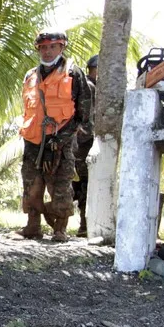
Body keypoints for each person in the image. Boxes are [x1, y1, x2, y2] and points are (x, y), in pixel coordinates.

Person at [16, 30, 92, 242]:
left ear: (61, 48)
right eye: (43, 47)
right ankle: (32, 227)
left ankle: (60, 229)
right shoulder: (31, 76)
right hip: (33, 141)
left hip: (61, 141)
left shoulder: (74, 74)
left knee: (60, 186)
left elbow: (83, 114)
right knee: (31, 185)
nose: (47, 51)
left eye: (52, 47)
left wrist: (59, 140)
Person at [72, 54, 98, 237]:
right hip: (83, 143)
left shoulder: (90, 86)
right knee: (84, 184)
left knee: (83, 184)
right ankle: (84, 225)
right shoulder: (89, 87)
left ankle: (84, 225)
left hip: (84, 141)